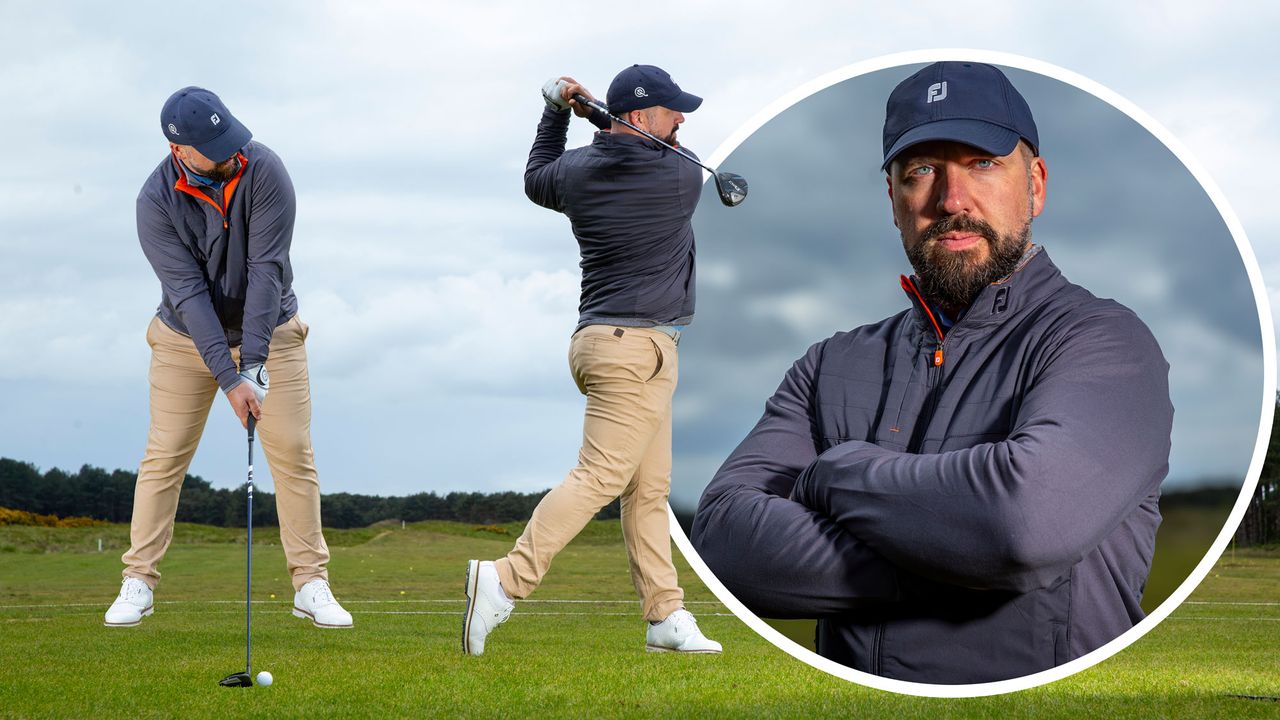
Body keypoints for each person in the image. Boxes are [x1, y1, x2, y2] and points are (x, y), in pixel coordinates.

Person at [691, 62, 1173, 684]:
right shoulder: (829, 365)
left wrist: (835, 474)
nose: (951, 200)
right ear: (892, 199)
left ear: (1036, 186)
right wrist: (974, 569)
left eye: (981, 163)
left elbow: (1022, 523)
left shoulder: (1104, 341)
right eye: (921, 171)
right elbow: (728, 544)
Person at [462, 66, 722, 656]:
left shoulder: (576, 173)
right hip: (637, 350)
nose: (681, 119)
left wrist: (559, 109)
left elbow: (536, 175)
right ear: (640, 117)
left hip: (602, 343)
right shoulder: (681, 176)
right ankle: (504, 581)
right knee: (602, 476)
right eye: (671, 110)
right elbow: (659, 148)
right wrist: (594, 112)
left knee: (648, 490)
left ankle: (665, 616)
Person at [104, 87, 352, 630]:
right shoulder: (155, 201)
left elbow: (267, 269)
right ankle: (138, 581)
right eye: (211, 147)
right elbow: (189, 295)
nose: (227, 153)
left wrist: (255, 367)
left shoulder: (265, 170)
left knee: (291, 451)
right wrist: (227, 374)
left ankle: (310, 583)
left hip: (271, 330)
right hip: (183, 339)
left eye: (228, 138)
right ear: (179, 151)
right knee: (165, 453)